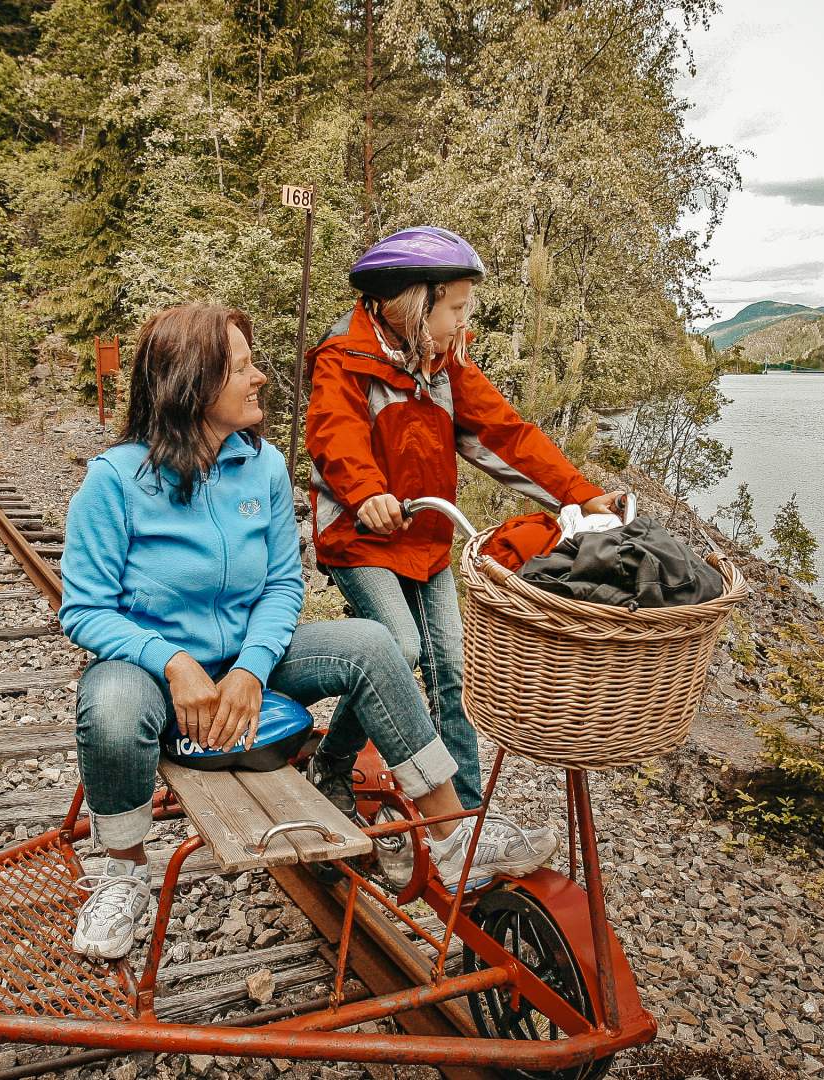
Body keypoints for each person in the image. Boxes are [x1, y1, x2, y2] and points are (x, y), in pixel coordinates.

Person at [58, 302, 554, 962]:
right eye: (242, 368)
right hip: (154, 672)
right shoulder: (114, 482)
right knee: (111, 701)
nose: (260, 377)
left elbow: (282, 587)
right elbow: (85, 612)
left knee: (373, 644)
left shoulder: (260, 467)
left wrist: (249, 670)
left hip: (249, 655)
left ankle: (454, 836)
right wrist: (176, 664)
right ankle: (121, 875)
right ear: (192, 385)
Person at [304, 226, 626, 817]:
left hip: (426, 538)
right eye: (454, 307)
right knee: (397, 650)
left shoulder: (444, 364)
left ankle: (468, 814)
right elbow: (334, 436)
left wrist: (580, 495)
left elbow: (506, 435)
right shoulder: (343, 359)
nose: (460, 321)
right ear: (413, 301)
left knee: (453, 666)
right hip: (362, 537)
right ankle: (333, 762)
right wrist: (367, 492)